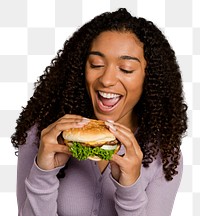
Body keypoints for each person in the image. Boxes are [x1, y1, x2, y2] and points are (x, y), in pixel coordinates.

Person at [11, 8, 187, 216]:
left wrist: (130, 188)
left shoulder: (163, 155)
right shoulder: (44, 135)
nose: (107, 79)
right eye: (97, 64)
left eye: (126, 69)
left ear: (150, 79)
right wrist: (43, 173)